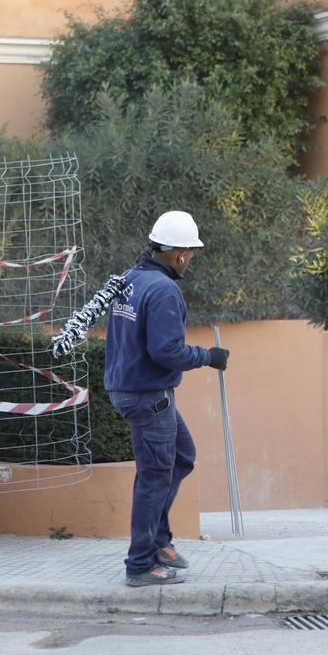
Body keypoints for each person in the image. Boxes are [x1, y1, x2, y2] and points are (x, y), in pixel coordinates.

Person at [105, 211, 230, 586]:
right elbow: (167, 351)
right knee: (154, 477)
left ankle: (159, 542)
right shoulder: (163, 290)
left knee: (180, 457)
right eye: (190, 252)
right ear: (180, 254)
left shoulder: (130, 279)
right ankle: (140, 564)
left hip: (131, 389)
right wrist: (208, 356)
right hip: (148, 396)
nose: (190, 259)